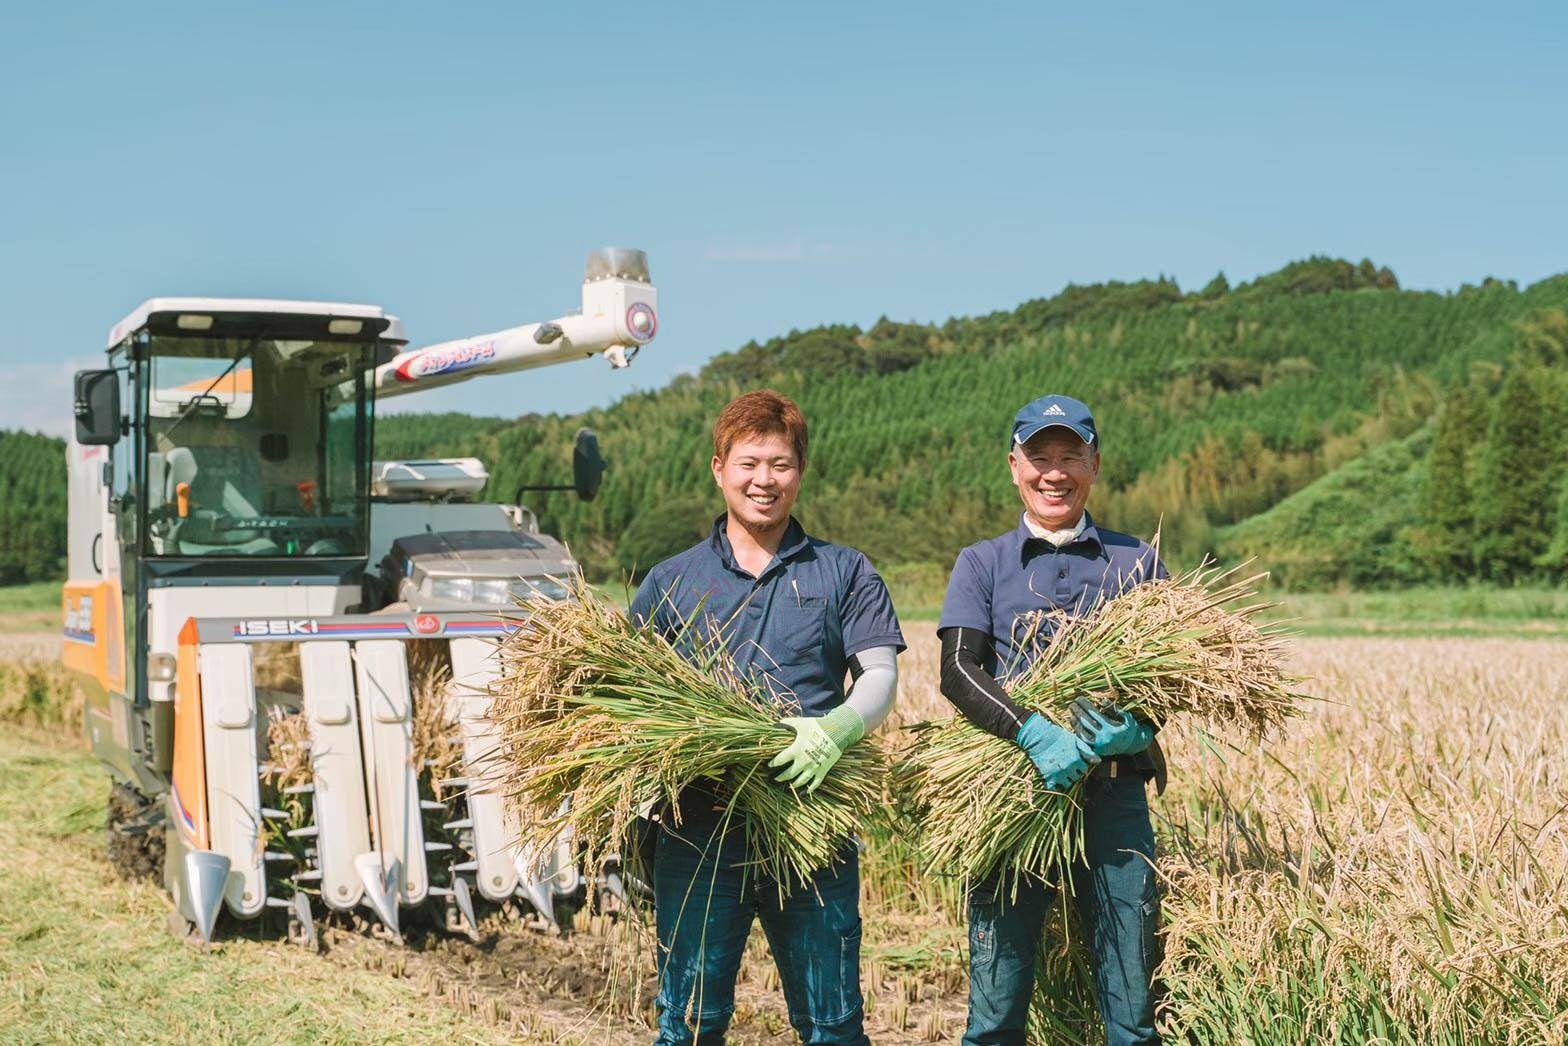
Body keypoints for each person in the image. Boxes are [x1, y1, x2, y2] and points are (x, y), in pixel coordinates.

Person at [629, 389, 905, 1046]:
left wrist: (837, 730)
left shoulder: (844, 572)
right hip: (698, 828)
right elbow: (629, 702)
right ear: (719, 468)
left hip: (812, 820)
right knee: (691, 1022)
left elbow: (881, 675)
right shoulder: (670, 582)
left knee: (832, 1024)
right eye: (749, 463)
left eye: (780, 464)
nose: (764, 479)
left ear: (800, 471)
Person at [938, 393, 1166, 1046]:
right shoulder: (982, 563)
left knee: (1132, 1006)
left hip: (1115, 796)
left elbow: (1177, 679)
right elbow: (959, 671)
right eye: (1040, 457)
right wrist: (1030, 730)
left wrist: (1139, 726)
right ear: (1014, 466)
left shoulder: (1137, 562)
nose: (1054, 472)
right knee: (996, 1008)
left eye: (1071, 455)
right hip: (1013, 790)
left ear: (1095, 464)